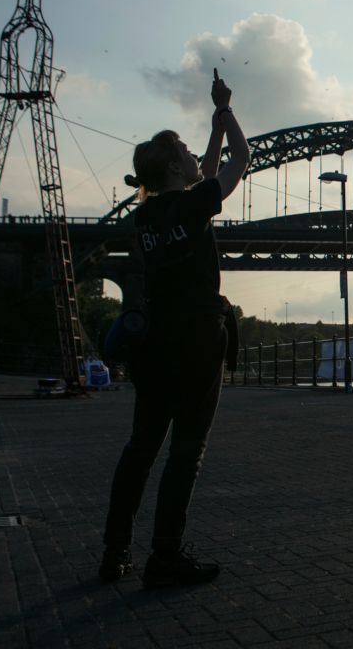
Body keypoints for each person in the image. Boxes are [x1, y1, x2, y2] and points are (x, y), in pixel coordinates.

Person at [99, 69, 250, 588]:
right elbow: (240, 162)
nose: (193, 157)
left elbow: (205, 170)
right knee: (186, 450)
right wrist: (226, 111)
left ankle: (114, 552)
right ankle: (165, 556)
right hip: (197, 337)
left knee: (141, 447)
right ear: (170, 164)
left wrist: (209, 129)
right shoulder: (196, 201)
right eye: (183, 151)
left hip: (153, 338)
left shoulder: (147, 217)